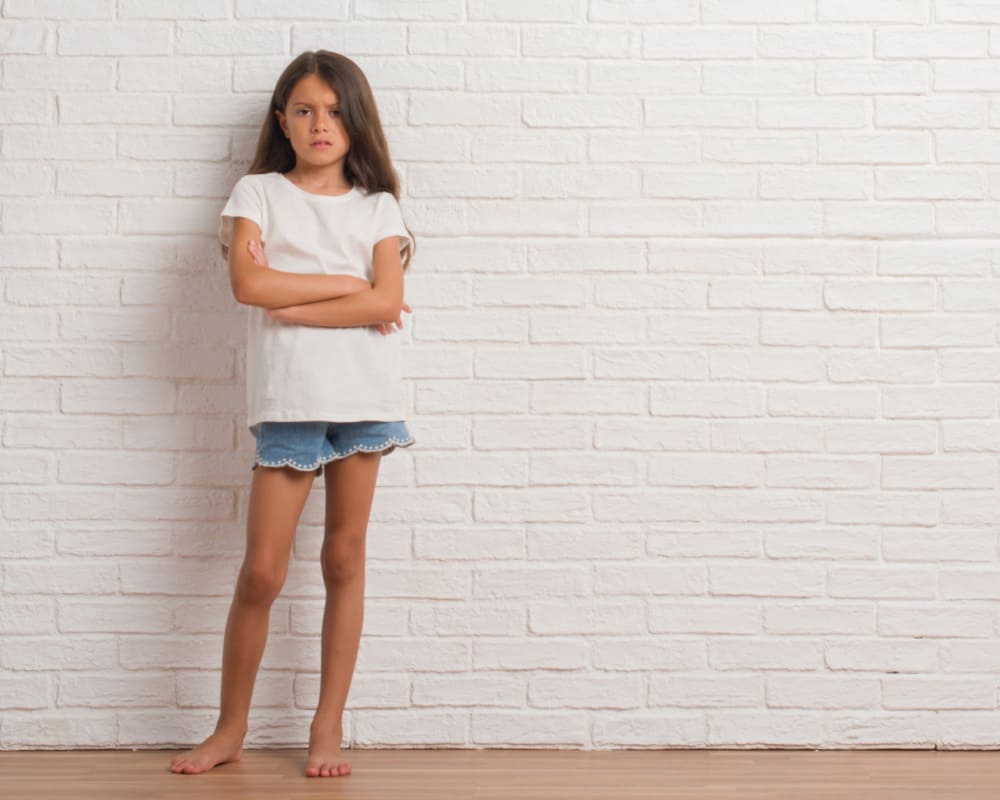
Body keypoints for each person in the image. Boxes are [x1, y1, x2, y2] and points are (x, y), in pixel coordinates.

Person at [169, 50, 415, 779]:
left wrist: (298, 300)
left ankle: (326, 728)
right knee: (262, 574)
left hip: (365, 403)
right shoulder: (256, 195)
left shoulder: (378, 206)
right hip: (291, 404)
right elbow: (248, 285)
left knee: (344, 559)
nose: (320, 124)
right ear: (283, 119)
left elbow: (385, 301)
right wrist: (344, 283)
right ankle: (230, 727)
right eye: (305, 110)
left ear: (356, 121)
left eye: (336, 111)